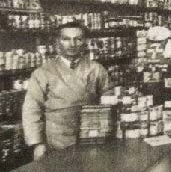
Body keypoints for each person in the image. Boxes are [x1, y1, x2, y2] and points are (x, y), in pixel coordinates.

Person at [22, 21, 111, 159]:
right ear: (57, 42)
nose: (72, 44)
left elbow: (108, 101)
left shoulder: (96, 69)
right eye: (66, 39)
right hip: (57, 140)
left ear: (85, 42)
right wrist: (37, 144)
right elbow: (31, 109)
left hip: (91, 135)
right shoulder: (43, 72)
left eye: (78, 39)